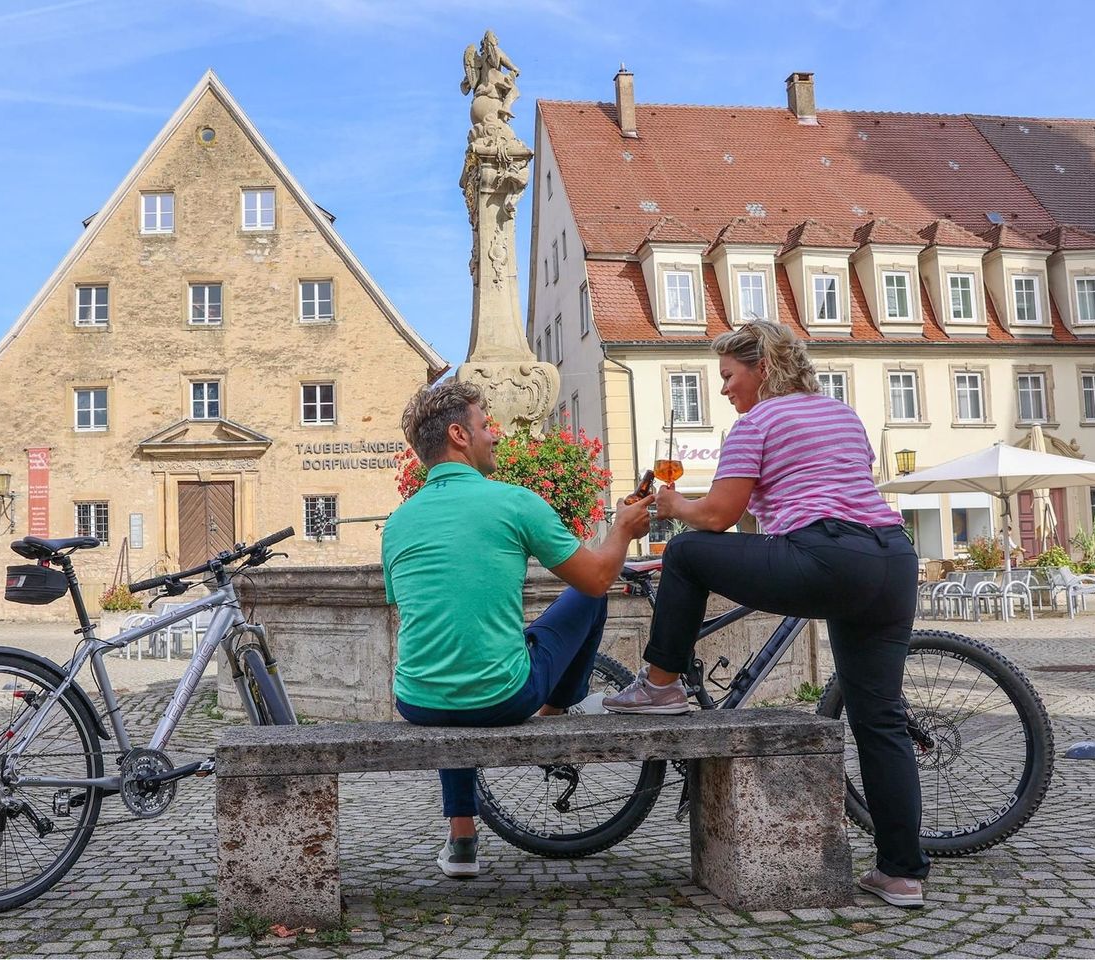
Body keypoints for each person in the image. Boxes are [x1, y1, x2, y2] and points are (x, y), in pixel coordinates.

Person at [603, 320, 929, 909]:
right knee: (880, 719)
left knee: (684, 548)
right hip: (891, 559)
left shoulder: (757, 422)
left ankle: (660, 685)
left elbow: (719, 516)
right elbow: (804, 497)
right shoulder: (842, 414)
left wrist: (671, 506)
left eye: (729, 376)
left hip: (824, 554)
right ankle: (901, 874)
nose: (725, 391)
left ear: (761, 369)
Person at [383, 380, 651, 878]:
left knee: (456, 679)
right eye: (487, 426)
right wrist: (621, 531)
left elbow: (427, 614)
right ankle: (554, 709)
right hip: (504, 698)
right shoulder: (513, 502)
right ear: (460, 435)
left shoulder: (398, 523)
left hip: (417, 699)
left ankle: (462, 843)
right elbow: (596, 578)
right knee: (585, 600)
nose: (495, 436)